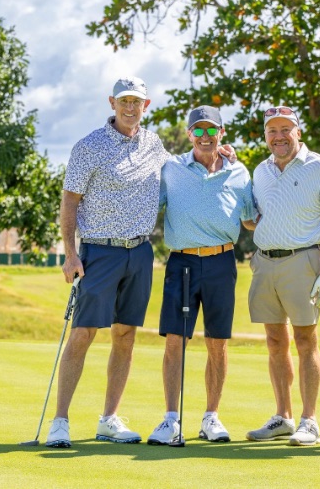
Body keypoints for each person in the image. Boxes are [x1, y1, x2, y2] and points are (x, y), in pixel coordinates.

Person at [45, 77, 235, 447]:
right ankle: (60, 421)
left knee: (125, 334)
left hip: (140, 253)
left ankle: (109, 419)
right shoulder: (89, 146)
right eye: (124, 101)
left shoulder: (153, 144)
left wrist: (221, 153)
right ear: (112, 103)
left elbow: (186, 166)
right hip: (98, 251)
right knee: (83, 332)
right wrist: (70, 254)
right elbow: (69, 201)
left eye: (137, 102)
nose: (130, 108)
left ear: (146, 106)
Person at [146, 105, 257, 446]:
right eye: (199, 130)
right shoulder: (172, 168)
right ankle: (170, 419)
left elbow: (251, 219)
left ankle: (211, 417)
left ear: (222, 133)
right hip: (182, 262)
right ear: (189, 133)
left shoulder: (239, 172)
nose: (205, 136)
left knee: (217, 342)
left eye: (212, 130)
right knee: (175, 340)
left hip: (222, 262)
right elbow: (149, 205)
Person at [245, 105, 320, 446]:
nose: (279, 136)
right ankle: (283, 417)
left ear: (298, 132)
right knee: (275, 341)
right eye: (272, 131)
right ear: (266, 136)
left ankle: (309, 420)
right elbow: (256, 217)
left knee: (305, 340)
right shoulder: (261, 170)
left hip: (303, 261)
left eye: (285, 129)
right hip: (264, 263)